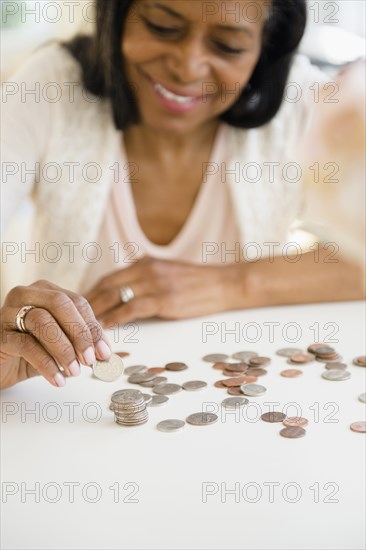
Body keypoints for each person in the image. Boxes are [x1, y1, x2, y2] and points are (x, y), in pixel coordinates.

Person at [1, 0, 364, 390]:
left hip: (237, 404)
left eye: (227, 46)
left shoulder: (302, 101)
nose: (187, 67)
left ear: (265, 50)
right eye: (161, 27)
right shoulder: (49, 86)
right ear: (118, 15)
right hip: (65, 406)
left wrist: (229, 283)